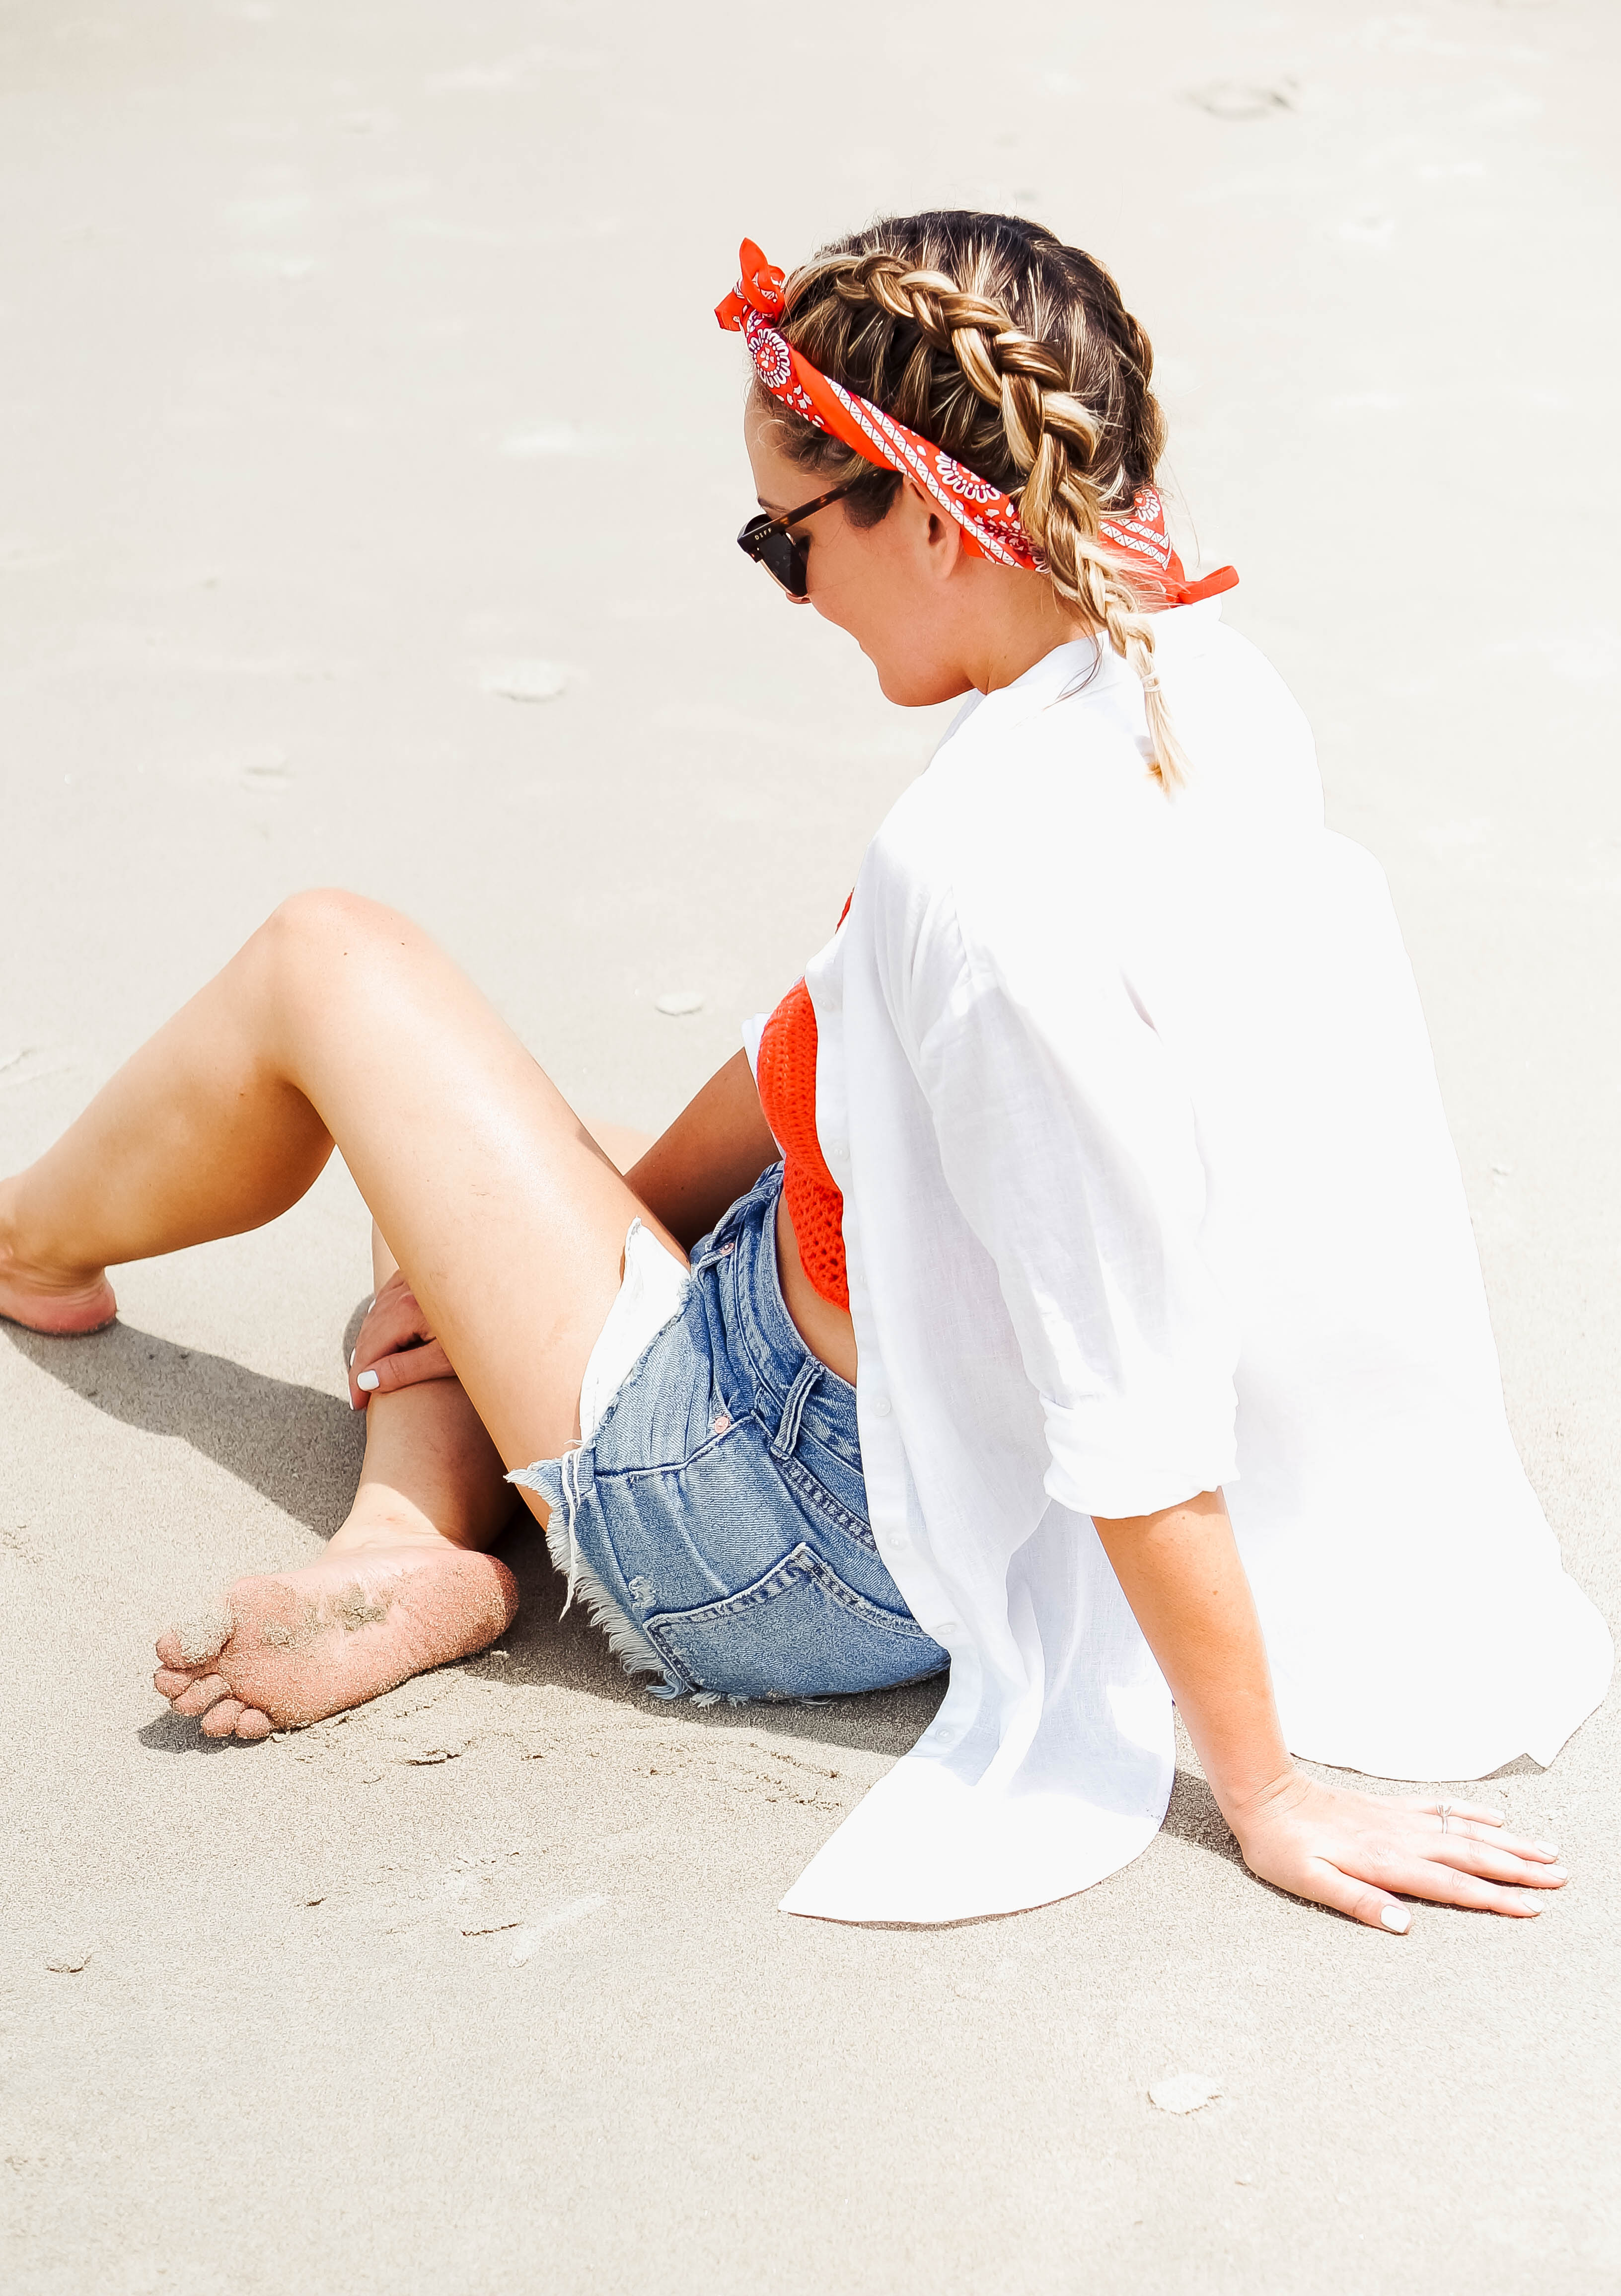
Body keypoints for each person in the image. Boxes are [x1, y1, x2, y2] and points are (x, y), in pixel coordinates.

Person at [0, 214, 1606, 1932]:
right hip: (885, 1375)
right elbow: (821, 1050)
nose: (791, 588)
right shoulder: (1184, 679)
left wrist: (1268, 1795)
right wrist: (575, 1223)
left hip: (782, 1525)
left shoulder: (989, 895)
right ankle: (415, 1528)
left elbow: (1128, 1395)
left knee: (329, 964)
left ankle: (33, 1247)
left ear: (925, 510)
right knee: (485, 1172)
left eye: (788, 536)